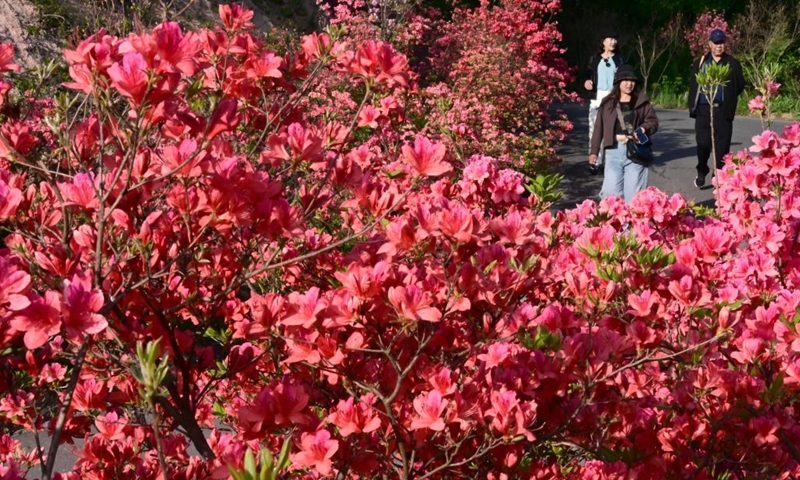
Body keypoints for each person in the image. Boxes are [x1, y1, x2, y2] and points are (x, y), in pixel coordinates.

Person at [589, 64, 659, 203]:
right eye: (625, 80)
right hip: (613, 151)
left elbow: (653, 121)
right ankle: (615, 224)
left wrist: (644, 128)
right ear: (618, 82)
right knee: (610, 194)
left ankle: (630, 225)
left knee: (634, 197)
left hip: (635, 150)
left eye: (632, 80)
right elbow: (599, 128)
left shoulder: (641, 101)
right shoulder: (608, 103)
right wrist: (594, 151)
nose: (629, 84)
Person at [688, 28, 745, 188]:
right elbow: (694, 85)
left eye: (722, 43)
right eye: (716, 43)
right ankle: (702, 170)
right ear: (710, 44)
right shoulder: (701, 63)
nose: (719, 46)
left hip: (723, 111)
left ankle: (718, 175)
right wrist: (693, 106)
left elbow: (739, 85)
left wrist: (729, 98)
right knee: (703, 143)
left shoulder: (732, 64)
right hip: (704, 109)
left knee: (722, 147)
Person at [583, 30, 624, 174]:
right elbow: (587, 73)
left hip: (613, 98)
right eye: (611, 38)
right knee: (594, 131)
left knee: (613, 131)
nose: (614, 42)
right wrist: (586, 81)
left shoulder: (619, 59)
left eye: (615, 39)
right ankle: (595, 162)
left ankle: (612, 162)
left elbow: (625, 77)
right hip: (598, 97)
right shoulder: (595, 58)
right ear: (603, 41)